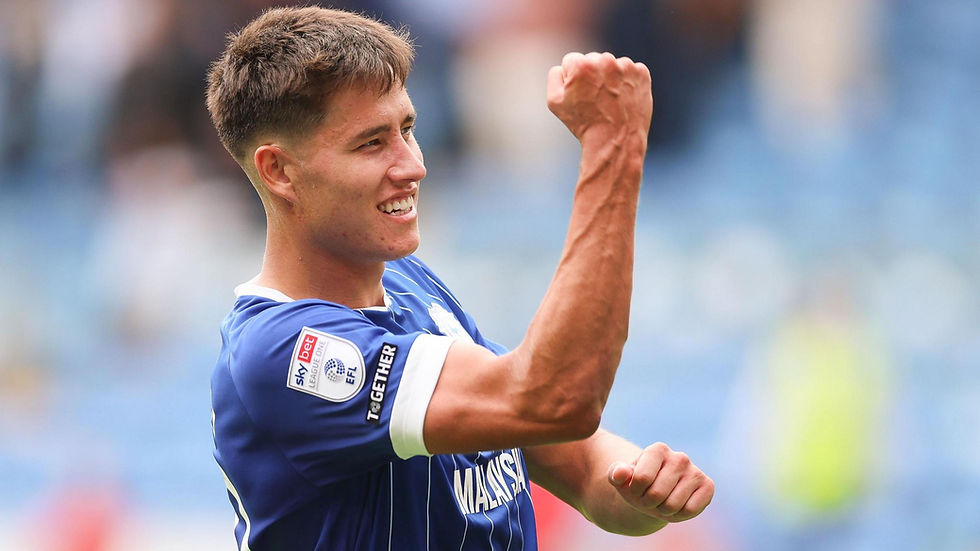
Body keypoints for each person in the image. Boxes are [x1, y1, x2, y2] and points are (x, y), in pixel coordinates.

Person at [206, 6, 713, 550]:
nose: (413, 165)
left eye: (407, 129)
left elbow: (578, 459)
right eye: (371, 143)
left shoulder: (408, 284)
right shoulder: (283, 355)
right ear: (279, 171)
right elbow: (552, 401)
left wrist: (639, 484)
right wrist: (614, 149)